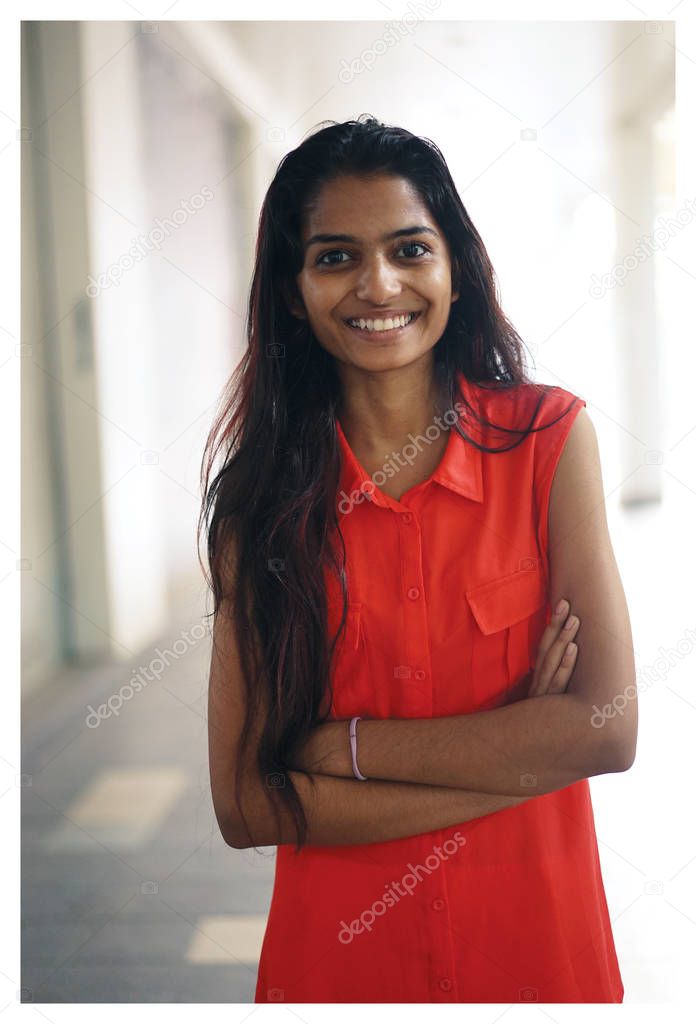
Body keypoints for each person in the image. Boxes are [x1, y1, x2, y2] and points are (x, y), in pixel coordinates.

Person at [201, 116, 637, 1004]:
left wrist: (342, 752)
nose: (379, 284)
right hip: (341, 974)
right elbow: (247, 805)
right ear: (292, 290)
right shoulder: (262, 506)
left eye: (409, 248)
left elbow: (606, 729)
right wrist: (522, 757)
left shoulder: (549, 443)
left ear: (453, 269)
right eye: (334, 257)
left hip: (538, 963)